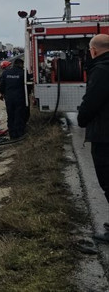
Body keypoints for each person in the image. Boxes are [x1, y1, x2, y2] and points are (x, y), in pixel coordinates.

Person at [76, 34, 109, 242]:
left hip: (105, 136)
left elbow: (92, 101)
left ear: (94, 50)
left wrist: (82, 118)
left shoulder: (101, 70)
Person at [0, 58, 31, 139]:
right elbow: (28, 85)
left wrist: (2, 93)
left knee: (10, 115)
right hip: (20, 98)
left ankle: (12, 134)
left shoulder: (6, 73)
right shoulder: (23, 73)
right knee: (19, 115)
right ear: (20, 64)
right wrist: (28, 93)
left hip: (9, 98)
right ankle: (19, 133)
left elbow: (2, 84)